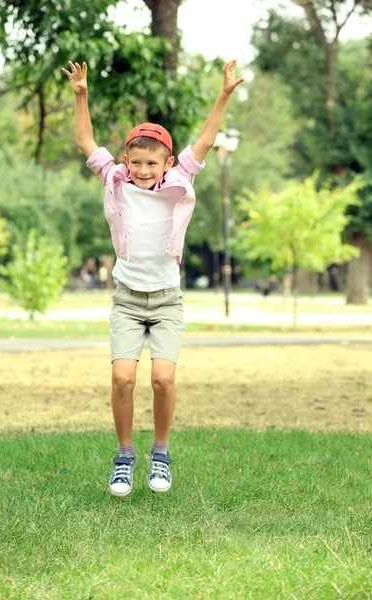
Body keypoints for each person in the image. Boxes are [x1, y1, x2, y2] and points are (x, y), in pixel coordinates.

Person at [62, 58, 244, 497]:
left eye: (152, 163)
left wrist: (223, 96)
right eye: (137, 162)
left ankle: (159, 453)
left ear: (166, 163)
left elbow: (204, 139)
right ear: (127, 159)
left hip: (165, 299)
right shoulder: (113, 177)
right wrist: (81, 94)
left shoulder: (179, 177)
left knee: (162, 379)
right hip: (126, 298)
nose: (144, 171)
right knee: (123, 378)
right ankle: (124, 457)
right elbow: (85, 138)